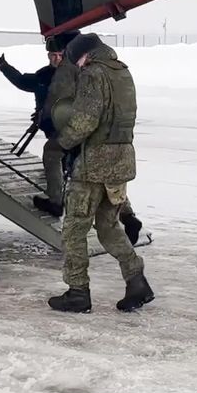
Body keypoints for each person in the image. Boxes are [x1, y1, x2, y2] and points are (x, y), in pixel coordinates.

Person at [47, 33, 153, 313]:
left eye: (78, 61)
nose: (78, 67)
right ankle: (136, 280)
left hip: (93, 165)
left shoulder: (93, 74)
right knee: (108, 226)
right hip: (119, 161)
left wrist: (63, 142)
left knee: (73, 229)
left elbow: (85, 120)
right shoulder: (122, 72)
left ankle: (77, 291)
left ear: (86, 55)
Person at [0, 32, 77, 210]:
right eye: (53, 55)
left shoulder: (76, 76)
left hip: (72, 130)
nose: (56, 59)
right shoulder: (44, 76)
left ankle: (58, 199)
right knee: (58, 160)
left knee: (64, 160)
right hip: (53, 130)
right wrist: (3, 65)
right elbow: (22, 81)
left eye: (60, 55)